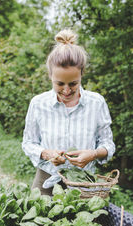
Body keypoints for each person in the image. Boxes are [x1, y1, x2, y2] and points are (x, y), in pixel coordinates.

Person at [22, 29, 115, 195]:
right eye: (59, 84)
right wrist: (45, 153)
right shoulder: (38, 104)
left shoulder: (96, 103)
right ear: (50, 76)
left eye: (73, 84)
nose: (66, 90)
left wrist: (93, 154)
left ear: (81, 75)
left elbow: (108, 145)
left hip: (85, 183)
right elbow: (28, 143)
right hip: (46, 180)